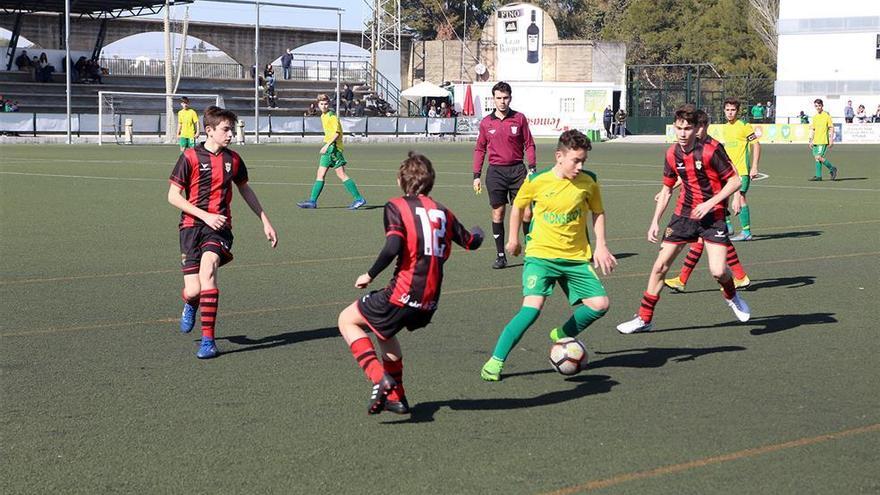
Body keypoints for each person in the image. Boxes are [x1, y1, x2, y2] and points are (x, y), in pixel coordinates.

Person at [337, 152, 483, 414]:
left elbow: (393, 245)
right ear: (431, 183)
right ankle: (398, 398)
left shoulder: (396, 206)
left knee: (347, 320)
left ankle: (378, 378)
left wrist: (369, 275)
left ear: (399, 181)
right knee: (385, 332)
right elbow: (471, 242)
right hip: (429, 302)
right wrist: (480, 233)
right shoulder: (443, 213)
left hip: (402, 294)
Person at [480, 130, 616, 381]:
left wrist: (601, 245)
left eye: (583, 161)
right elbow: (518, 206)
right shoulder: (538, 181)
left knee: (600, 305)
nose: (580, 166)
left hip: (575, 257)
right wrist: (513, 239)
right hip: (541, 255)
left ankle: (562, 332)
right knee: (532, 309)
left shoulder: (589, 181)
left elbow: (597, 212)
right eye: (576, 160)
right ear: (559, 156)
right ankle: (495, 361)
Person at [616, 104, 750, 334]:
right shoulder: (671, 153)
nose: (682, 133)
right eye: (679, 128)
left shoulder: (711, 150)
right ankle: (644, 319)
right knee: (659, 266)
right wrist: (655, 221)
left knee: (718, 271)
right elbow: (667, 189)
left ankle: (731, 295)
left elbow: (735, 181)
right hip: (683, 215)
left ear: (697, 128)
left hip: (713, 216)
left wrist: (710, 203)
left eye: (687, 128)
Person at [167, 106, 278, 359]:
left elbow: (245, 189)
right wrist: (204, 215)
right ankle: (191, 302)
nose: (231, 134)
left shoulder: (234, 160)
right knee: (194, 290)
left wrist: (265, 220)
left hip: (220, 228)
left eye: (232, 129)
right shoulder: (190, 157)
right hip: (190, 227)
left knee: (209, 270)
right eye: (226, 129)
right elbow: (173, 196)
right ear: (209, 130)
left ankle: (208, 341)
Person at [664, 109, 751, 292]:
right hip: (698, 202)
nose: (695, 132)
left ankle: (684, 279)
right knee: (710, 241)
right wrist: (670, 188)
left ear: (702, 127)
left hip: (714, 201)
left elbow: (733, 174)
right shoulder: (691, 148)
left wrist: (736, 196)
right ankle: (740, 276)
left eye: (698, 128)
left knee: (705, 240)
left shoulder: (713, 146)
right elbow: (686, 174)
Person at [472, 81, 537, 269]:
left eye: (505, 98)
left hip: (518, 171)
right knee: (498, 213)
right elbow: (480, 149)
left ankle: (532, 253)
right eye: (498, 98)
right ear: (493, 99)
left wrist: (532, 168)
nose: (502, 102)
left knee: (527, 212)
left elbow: (529, 144)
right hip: (496, 173)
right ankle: (501, 256)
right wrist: (476, 175)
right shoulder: (486, 122)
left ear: (510, 98)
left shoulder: (519, 118)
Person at [297, 94, 367, 210]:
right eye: (321, 104)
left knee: (341, 174)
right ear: (318, 104)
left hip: (333, 149)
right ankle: (312, 201)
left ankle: (359, 198)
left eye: (325, 104)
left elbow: (337, 133)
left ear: (328, 104)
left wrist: (327, 145)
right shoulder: (323, 116)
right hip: (329, 148)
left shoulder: (332, 116)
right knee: (321, 174)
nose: (324, 106)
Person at [715, 98, 761, 241]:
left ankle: (746, 232)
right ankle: (728, 226)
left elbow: (756, 145)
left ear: (738, 111)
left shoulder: (744, 125)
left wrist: (754, 166)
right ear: (724, 111)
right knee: (721, 197)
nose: (730, 112)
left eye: (733, 110)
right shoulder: (725, 127)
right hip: (728, 171)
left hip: (742, 171)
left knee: (740, 198)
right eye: (727, 110)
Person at [808, 98, 838, 181]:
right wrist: (810, 140)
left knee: (818, 157)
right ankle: (818, 176)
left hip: (823, 140)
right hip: (816, 141)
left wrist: (831, 140)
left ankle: (832, 168)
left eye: (819, 106)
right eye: (816, 106)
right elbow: (813, 129)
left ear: (822, 106)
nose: (818, 107)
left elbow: (831, 128)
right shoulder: (815, 117)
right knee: (816, 158)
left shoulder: (826, 116)